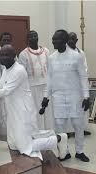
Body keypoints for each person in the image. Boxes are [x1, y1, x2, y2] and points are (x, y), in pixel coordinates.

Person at [0, 45, 67, 160]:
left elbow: (6, 91)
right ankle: (47, 137)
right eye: (1, 55)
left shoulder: (19, 70)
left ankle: (58, 139)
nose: (3, 57)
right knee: (13, 144)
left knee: (26, 147)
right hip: (13, 111)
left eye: (7, 55)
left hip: (22, 111)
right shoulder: (7, 69)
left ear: (14, 56)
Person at [41, 29, 90, 162]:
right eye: (53, 39)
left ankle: (79, 151)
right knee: (59, 126)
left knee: (78, 125)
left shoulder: (76, 56)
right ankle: (65, 151)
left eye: (56, 39)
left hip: (75, 96)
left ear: (64, 40)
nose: (53, 41)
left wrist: (86, 96)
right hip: (58, 97)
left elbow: (83, 77)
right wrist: (46, 96)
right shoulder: (51, 58)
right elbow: (50, 79)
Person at [18, 30, 54, 130]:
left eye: (35, 36)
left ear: (38, 37)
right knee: (36, 110)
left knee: (48, 110)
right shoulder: (23, 54)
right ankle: (38, 132)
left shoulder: (46, 51)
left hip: (46, 85)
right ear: (27, 39)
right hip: (32, 87)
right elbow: (22, 73)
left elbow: (50, 69)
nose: (33, 38)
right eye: (31, 37)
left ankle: (49, 130)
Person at [67, 32, 91, 136]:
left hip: (80, 85)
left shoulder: (81, 52)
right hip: (69, 85)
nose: (70, 41)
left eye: (73, 39)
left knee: (82, 107)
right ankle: (69, 130)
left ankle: (82, 128)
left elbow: (85, 67)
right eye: (69, 39)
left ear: (76, 40)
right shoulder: (65, 53)